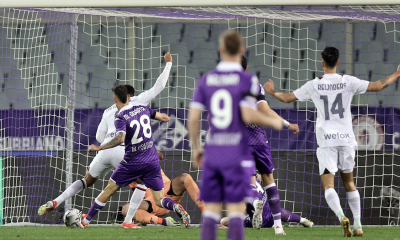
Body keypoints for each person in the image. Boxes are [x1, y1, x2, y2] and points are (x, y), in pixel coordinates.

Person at [263, 46, 400, 237]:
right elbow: (378, 85)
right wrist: (397, 74)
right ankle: (358, 224)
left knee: (328, 186)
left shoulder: (314, 84)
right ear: (337, 62)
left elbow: (287, 99)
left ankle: (342, 216)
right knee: (350, 183)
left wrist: (271, 91)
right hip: (346, 139)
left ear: (322, 63)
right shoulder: (348, 81)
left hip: (327, 140)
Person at [37, 53, 173, 216]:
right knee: (143, 181)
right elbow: (159, 86)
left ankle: (55, 201)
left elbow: (100, 136)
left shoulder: (108, 110)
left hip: (104, 151)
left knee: (86, 180)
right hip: (122, 150)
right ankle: (128, 221)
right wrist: (168, 64)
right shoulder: (139, 102)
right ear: (130, 96)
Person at [188, 29, 283, 240]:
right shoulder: (247, 80)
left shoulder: (206, 79)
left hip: (214, 150)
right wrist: (272, 121)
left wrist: (196, 149)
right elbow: (249, 114)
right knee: (236, 211)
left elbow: (193, 119)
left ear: (220, 51)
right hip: (236, 150)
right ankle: (254, 199)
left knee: (212, 212)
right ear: (241, 50)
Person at [83, 85, 190, 228]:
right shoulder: (142, 108)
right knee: (159, 199)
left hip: (133, 161)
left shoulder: (120, 117)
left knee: (109, 189)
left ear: (115, 100)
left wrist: (100, 147)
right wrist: (165, 119)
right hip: (152, 160)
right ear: (129, 97)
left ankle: (85, 221)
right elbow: (162, 117)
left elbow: (120, 139)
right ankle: (176, 207)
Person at [241, 55, 299, 233]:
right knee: (269, 181)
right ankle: (278, 227)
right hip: (259, 138)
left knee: (248, 181)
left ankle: (255, 199)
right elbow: (265, 110)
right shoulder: (254, 85)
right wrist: (287, 124)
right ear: (247, 68)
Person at [121, 151, 204, 227]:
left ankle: (208, 216)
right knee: (126, 209)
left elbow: (160, 156)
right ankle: (165, 221)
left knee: (186, 178)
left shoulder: (143, 152)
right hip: (152, 201)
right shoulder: (127, 168)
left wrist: (145, 152)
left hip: (167, 188)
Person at [219, 175, 313, 229]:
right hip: (271, 217)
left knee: (224, 221)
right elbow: (259, 177)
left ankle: (255, 213)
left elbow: (242, 210)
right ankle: (303, 220)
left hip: (257, 222)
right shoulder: (253, 177)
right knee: (275, 210)